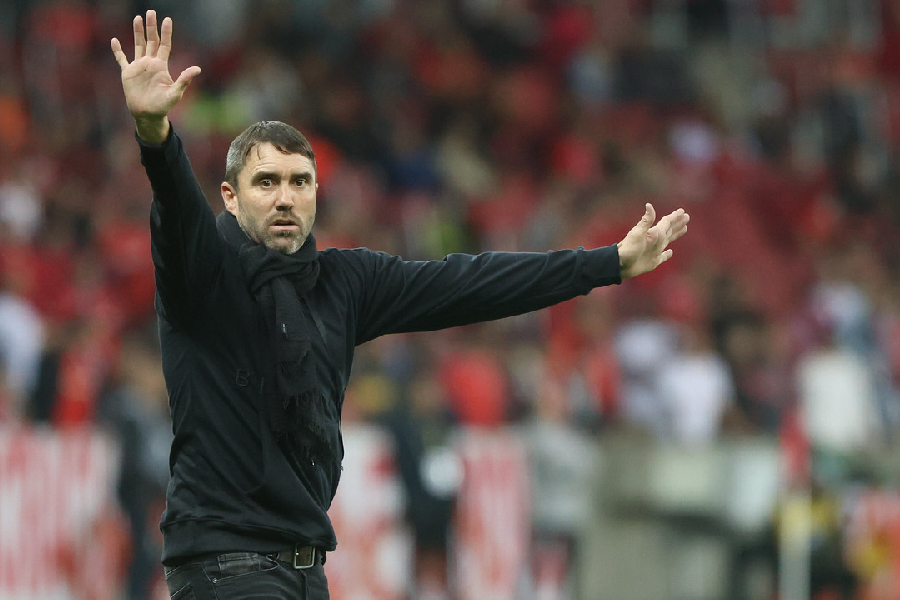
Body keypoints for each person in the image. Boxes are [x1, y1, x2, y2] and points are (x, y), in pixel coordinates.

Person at [110, 10, 690, 600]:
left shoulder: (344, 281)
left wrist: (607, 263)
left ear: (316, 192)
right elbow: (177, 212)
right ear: (230, 198)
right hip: (224, 569)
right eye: (266, 182)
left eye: (299, 181)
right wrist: (157, 136)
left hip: (305, 570)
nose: (285, 197)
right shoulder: (203, 274)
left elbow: (471, 284)